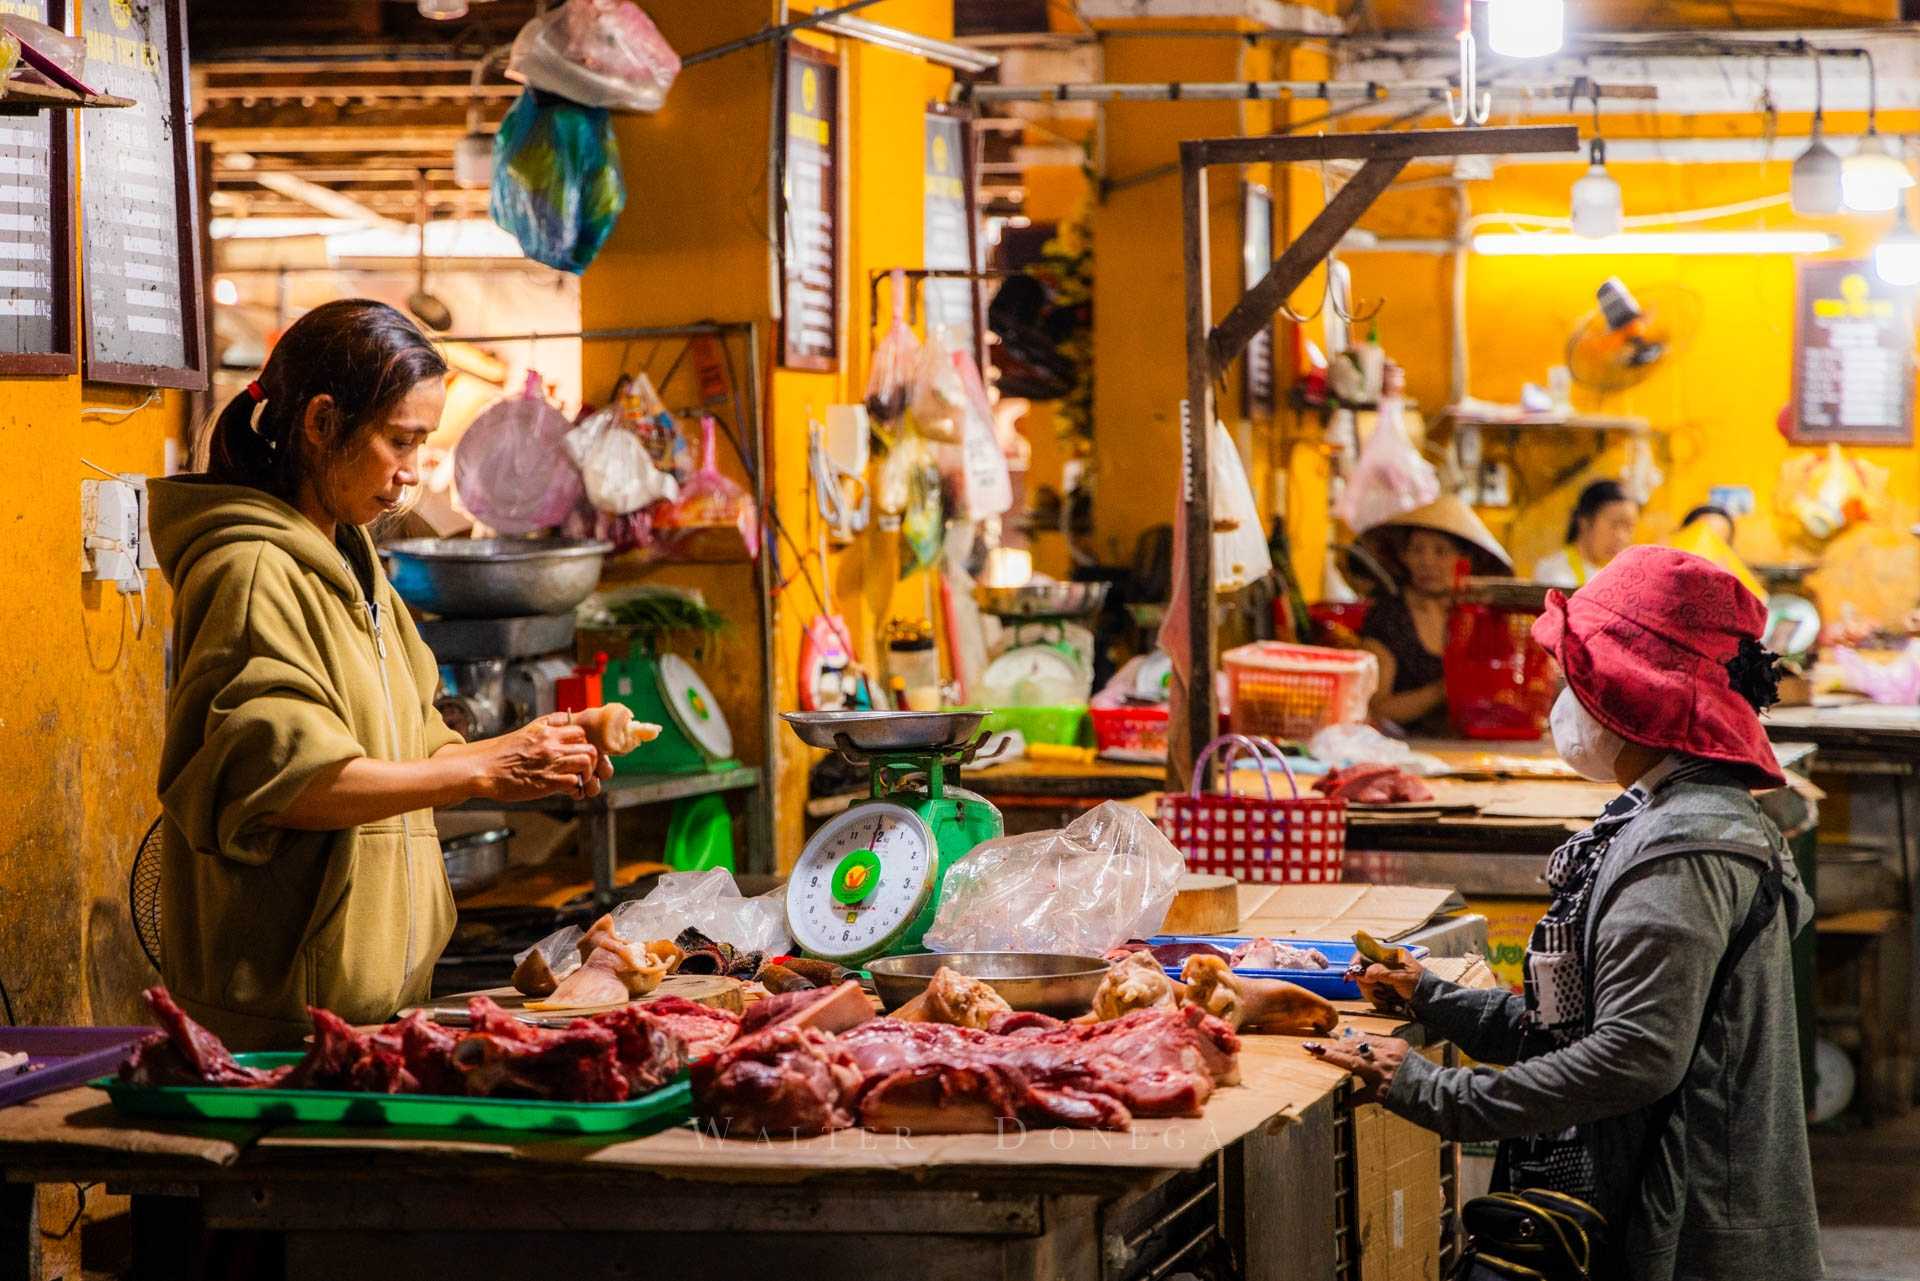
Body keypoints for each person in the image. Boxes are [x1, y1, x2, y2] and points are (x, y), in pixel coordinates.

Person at [1306, 545, 1821, 1281]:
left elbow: (1634, 1055)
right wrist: (1435, 999)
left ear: (1641, 696)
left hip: (1692, 1238)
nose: (1565, 701)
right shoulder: (1661, 813)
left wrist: (1436, 1090)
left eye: (1582, 681)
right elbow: (1580, 1028)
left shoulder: (1685, 845)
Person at [150, 300, 615, 1049]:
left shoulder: (360, 572)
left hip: (371, 1016)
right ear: (322, 423)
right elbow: (288, 782)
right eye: (400, 441)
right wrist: (480, 771)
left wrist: (518, 758)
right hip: (276, 1031)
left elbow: (414, 754)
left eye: (423, 443)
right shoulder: (253, 572)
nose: (412, 472)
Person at [1353, 496, 1513, 737]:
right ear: (1404, 557)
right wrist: (1445, 689)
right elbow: (1378, 708)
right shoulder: (1387, 617)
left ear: (1464, 560)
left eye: (1441, 551)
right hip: (1402, 746)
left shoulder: (1480, 616)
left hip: (1475, 746)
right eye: (1417, 550)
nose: (1427, 561)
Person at [1532, 479, 1639, 588]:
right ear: (1585, 522)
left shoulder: (1623, 576)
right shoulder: (1554, 572)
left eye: (1629, 527)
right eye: (1614, 524)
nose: (1621, 537)